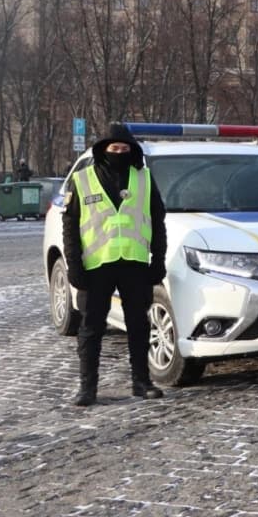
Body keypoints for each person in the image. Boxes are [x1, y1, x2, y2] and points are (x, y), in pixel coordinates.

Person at [63, 123, 169, 406]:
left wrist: (158, 260)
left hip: (134, 264)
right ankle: (88, 388)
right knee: (91, 328)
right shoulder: (82, 179)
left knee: (138, 325)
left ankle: (141, 382)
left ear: (132, 151)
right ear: (103, 150)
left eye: (124, 149)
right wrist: (74, 265)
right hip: (96, 266)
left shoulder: (144, 179)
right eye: (114, 148)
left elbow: (158, 222)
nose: (119, 153)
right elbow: (70, 227)